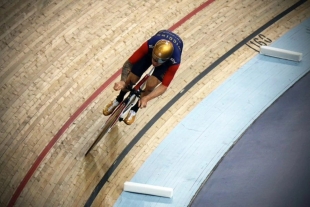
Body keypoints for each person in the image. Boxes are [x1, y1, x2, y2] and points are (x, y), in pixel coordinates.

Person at [103, 30, 183, 125]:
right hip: (150, 53)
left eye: (158, 62)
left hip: (166, 61)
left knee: (151, 85)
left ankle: (134, 109)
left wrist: (147, 98)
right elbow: (128, 64)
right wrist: (122, 81)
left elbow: (164, 86)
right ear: (153, 51)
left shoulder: (174, 62)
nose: (155, 63)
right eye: (154, 59)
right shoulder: (148, 45)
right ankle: (119, 99)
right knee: (131, 78)